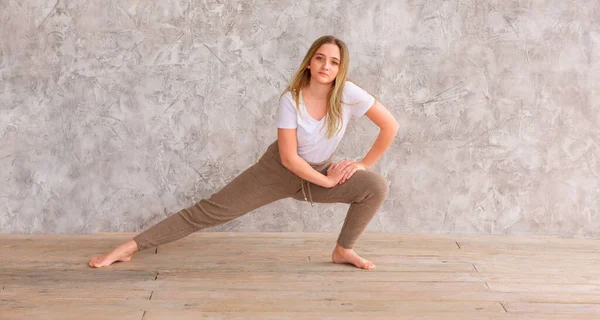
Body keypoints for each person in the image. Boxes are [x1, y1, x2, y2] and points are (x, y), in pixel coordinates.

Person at [89, 35, 399, 270]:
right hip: (277, 171)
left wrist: (361, 164)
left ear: (340, 68)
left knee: (375, 186)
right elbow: (290, 159)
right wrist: (329, 183)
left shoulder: (347, 94)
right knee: (207, 212)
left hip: (317, 171)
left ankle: (343, 250)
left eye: (334, 62)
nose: (326, 66)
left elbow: (390, 126)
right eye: (320, 58)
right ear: (309, 62)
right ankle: (129, 247)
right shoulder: (291, 100)